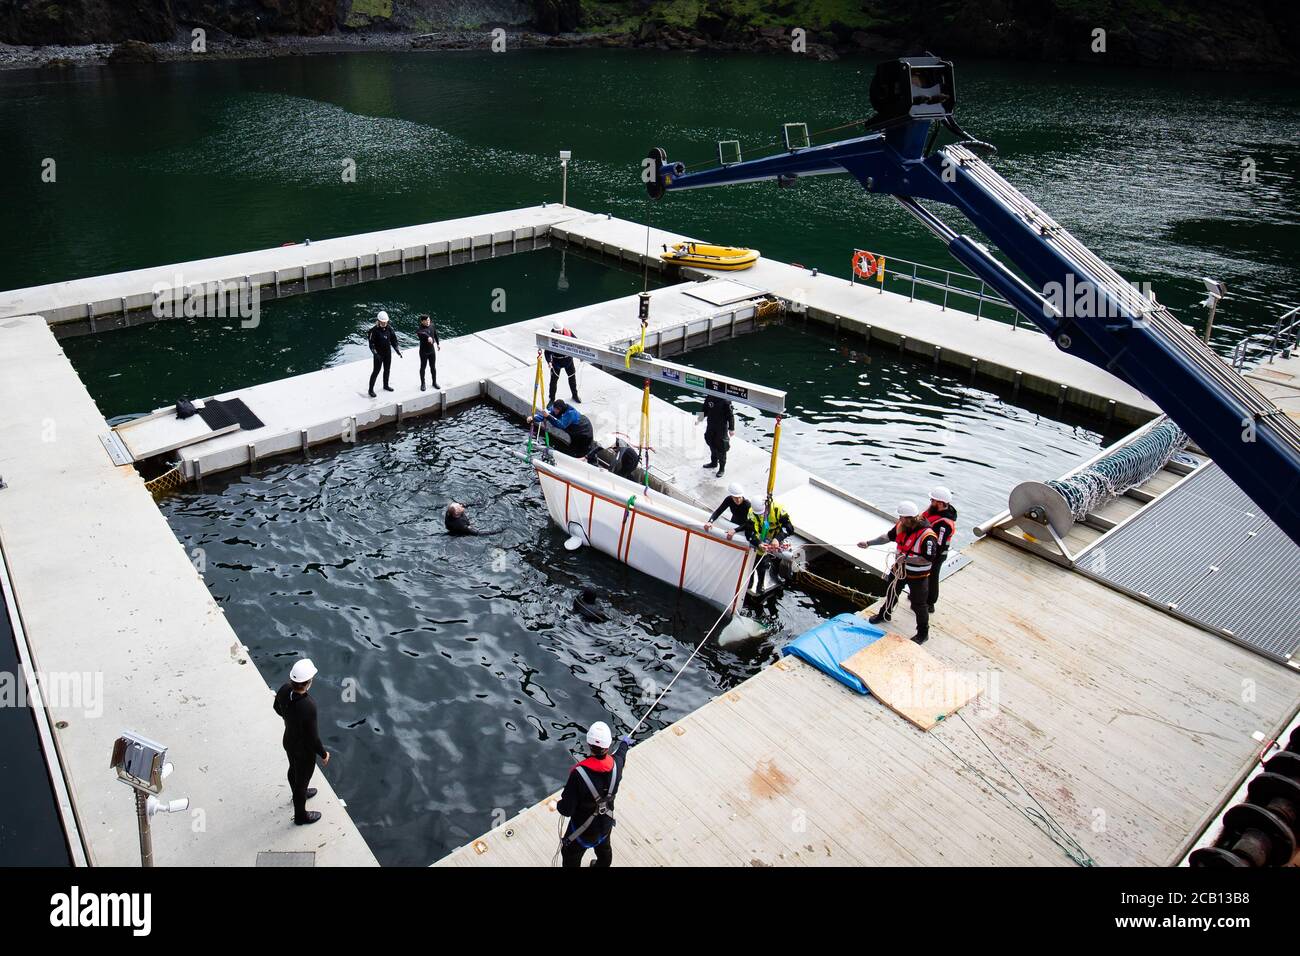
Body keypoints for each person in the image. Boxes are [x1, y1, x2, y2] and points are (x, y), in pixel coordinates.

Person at [857, 500, 939, 643]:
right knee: (891, 592)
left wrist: (906, 560)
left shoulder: (928, 536)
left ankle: (923, 633)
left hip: (918, 576)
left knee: (919, 604)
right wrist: (869, 543)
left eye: (902, 517)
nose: (899, 519)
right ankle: (885, 614)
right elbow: (886, 538)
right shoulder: (902, 526)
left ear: (910, 518)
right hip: (899, 570)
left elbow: (928, 559)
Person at [556, 721, 631, 867]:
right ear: (608, 745)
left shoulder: (579, 775)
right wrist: (625, 743)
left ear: (589, 744)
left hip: (581, 832)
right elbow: (622, 753)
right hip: (605, 825)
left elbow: (566, 810)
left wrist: (558, 804)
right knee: (604, 851)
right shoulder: (617, 765)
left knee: (570, 855)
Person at [272, 658, 330, 826]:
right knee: (302, 783)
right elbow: (313, 738)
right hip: (303, 751)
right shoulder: (308, 705)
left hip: (289, 741)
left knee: (293, 769)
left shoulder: (284, 689)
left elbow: (276, 708)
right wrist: (323, 753)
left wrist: (290, 720)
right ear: (308, 682)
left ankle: (298, 794)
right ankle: (300, 816)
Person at [746, 499, 795, 594]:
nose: (761, 515)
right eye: (759, 514)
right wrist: (759, 543)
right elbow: (750, 532)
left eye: (763, 513)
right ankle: (756, 582)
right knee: (759, 561)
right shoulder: (752, 513)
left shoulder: (778, 509)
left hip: (777, 537)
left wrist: (777, 538)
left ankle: (774, 572)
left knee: (776, 559)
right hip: (762, 538)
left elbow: (789, 527)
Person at [921, 485, 957, 613]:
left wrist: (930, 556)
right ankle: (921, 596)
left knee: (932, 576)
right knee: (923, 575)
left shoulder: (944, 523)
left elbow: (940, 543)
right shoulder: (936, 511)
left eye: (933, 501)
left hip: (937, 554)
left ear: (941, 503)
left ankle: (930, 603)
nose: (930, 502)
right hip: (928, 549)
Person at [367, 310, 402, 397]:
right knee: (376, 371)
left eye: (385, 322)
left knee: (387, 370)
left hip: (387, 353)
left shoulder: (389, 328)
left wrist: (397, 350)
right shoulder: (373, 331)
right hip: (378, 355)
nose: (384, 324)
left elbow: (394, 340)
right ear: (378, 321)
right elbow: (371, 344)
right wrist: (375, 354)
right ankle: (370, 390)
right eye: (382, 322)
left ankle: (385, 385)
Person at [545, 322, 580, 405]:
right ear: (554, 330)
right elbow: (547, 352)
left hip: (568, 359)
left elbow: (577, 343)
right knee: (553, 381)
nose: (559, 333)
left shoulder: (569, 333)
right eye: (557, 331)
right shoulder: (550, 337)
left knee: (572, 378)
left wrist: (580, 355)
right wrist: (549, 361)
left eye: (560, 331)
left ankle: (575, 395)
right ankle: (552, 399)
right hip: (556, 361)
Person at [700, 394, 735, 478]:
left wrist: (731, 428)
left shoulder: (726, 401)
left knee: (721, 447)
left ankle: (722, 468)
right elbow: (704, 409)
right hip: (711, 424)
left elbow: (730, 416)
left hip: (721, 427)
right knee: (710, 441)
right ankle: (713, 462)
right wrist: (699, 419)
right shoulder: (709, 397)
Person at [416, 313, 440, 391]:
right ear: (422, 321)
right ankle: (423, 384)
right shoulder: (420, 329)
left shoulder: (432, 326)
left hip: (431, 351)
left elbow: (435, 334)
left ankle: (434, 382)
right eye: (426, 321)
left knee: (433, 367)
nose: (428, 322)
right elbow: (421, 333)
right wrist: (428, 337)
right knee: (423, 367)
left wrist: (438, 344)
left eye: (429, 320)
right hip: (424, 352)